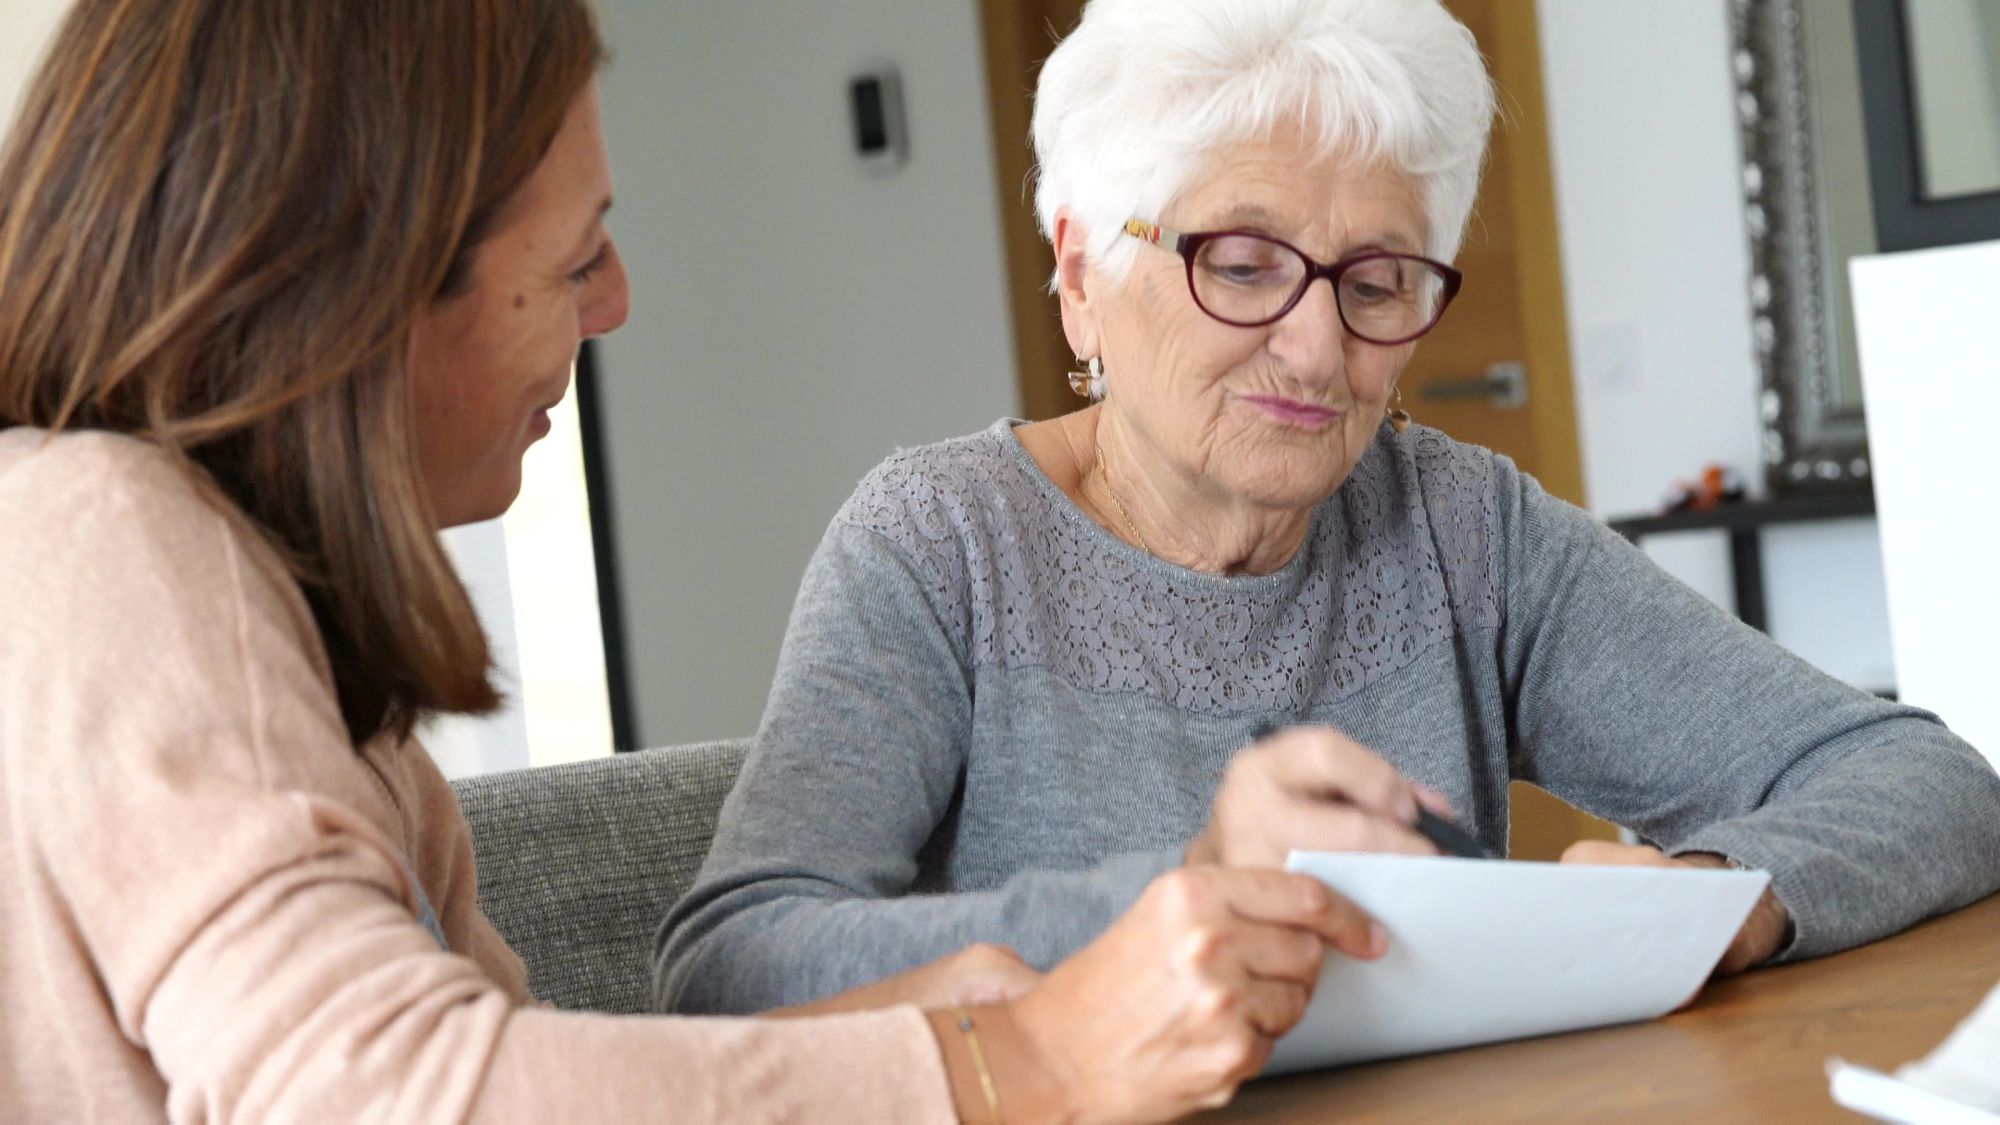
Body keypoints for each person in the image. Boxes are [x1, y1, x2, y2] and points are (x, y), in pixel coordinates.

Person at [0, 1, 1387, 1120]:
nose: (616, 303)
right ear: (356, 287)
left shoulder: (340, 717)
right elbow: (384, 1091)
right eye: (576, 253)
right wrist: (1017, 1063)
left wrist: (972, 1027)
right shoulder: (103, 537)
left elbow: (511, 1069)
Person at [655, 0, 2000, 1018]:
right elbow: (732, 967)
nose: (1315, 352)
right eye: (1242, 266)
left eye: (1376, 282)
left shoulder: (1460, 530)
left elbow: (1931, 785)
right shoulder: (939, 544)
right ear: (1080, 269)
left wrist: (1716, 901)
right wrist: (1186, 899)